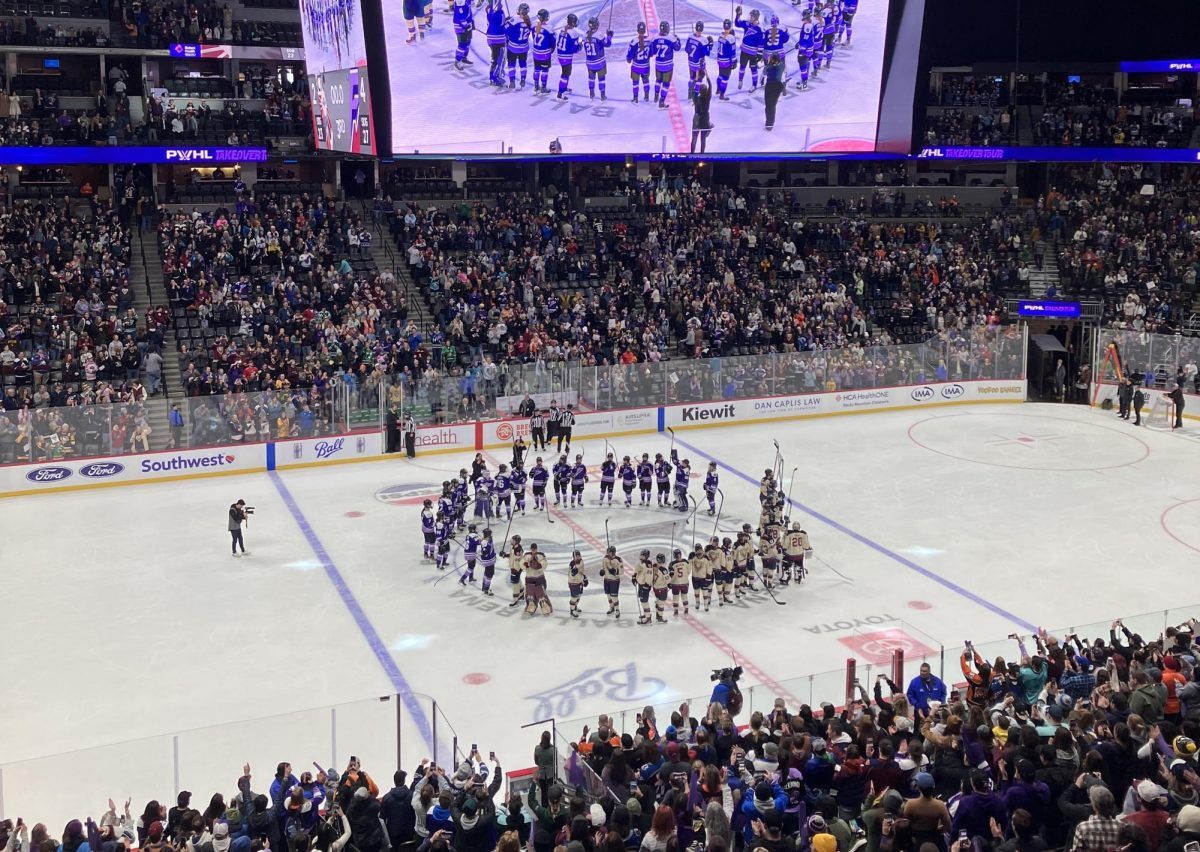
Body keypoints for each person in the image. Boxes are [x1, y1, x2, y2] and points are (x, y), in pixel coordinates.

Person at [691, 74, 712, 153]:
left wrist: (695, 80)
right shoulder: (707, 98)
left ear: (699, 91)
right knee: (703, 140)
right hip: (705, 121)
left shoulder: (696, 98)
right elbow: (710, 87)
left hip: (696, 120)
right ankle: (702, 155)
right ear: (706, 91)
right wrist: (707, 76)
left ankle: (691, 154)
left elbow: (692, 90)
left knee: (694, 139)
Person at [762, 53, 784, 130]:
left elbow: (765, 72)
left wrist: (769, 65)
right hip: (778, 86)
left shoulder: (769, 67)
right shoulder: (781, 65)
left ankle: (769, 124)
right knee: (771, 105)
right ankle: (769, 123)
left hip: (772, 85)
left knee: (769, 106)